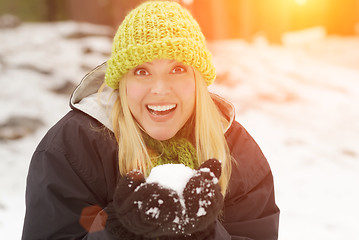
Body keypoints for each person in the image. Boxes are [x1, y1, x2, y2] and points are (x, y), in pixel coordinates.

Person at [22, 1, 279, 239]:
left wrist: (204, 232)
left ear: (197, 80)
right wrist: (121, 229)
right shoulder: (73, 148)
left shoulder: (237, 151)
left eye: (177, 69)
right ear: (122, 82)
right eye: (142, 71)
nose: (160, 89)